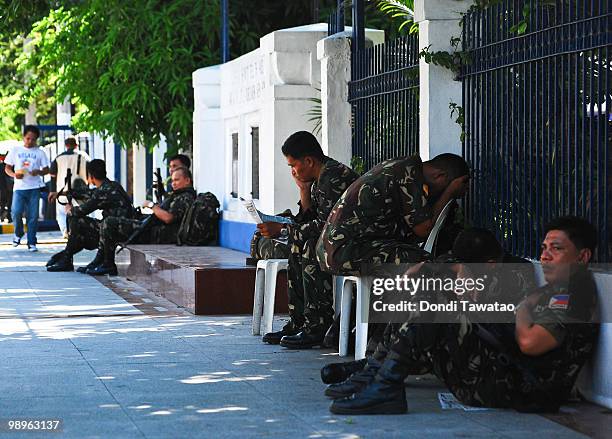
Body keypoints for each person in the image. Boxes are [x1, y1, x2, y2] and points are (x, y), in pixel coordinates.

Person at [329, 216, 599, 415]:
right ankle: (378, 374)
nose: (546, 255)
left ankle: (385, 384)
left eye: (557, 248)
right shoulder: (558, 290)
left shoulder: (575, 293)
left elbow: (531, 343)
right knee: (429, 295)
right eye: (544, 248)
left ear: (582, 256)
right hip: (505, 374)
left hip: (521, 388)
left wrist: (523, 309)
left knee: (436, 309)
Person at [315, 153, 470, 356]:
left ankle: (342, 333)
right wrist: (449, 192)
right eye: (446, 186)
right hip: (345, 250)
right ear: (440, 176)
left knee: (397, 263)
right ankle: (385, 345)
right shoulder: (409, 173)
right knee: (422, 265)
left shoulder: (403, 167)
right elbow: (423, 228)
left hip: (345, 247)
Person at [258, 131, 359, 348]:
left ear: (309, 161)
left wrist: (284, 230)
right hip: (338, 239)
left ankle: (318, 325)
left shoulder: (334, 178)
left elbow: (325, 226)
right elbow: (311, 220)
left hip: (357, 242)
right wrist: (304, 190)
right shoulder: (319, 179)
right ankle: (300, 322)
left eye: (293, 165)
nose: (293, 171)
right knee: (299, 244)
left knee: (310, 248)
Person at [90, 166, 197, 276]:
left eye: (177, 180)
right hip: (153, 230)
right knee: (111, 223)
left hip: (158, 234)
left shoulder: (185, 197)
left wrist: (152, 205)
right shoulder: (179, 195)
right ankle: (102, 261)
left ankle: (107, 264)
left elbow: (168, 218)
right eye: (173, 180)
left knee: (110, 223)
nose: (173, 183)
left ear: (187, 180)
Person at [46, 159, 135, 272]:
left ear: (91, 176)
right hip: (121, 228)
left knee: (76, 219)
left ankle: (66, 259)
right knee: (81, 231)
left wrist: (69, 210)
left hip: (116, 231)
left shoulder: (103, 191)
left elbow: (81, 211)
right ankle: (66, 257)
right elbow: (88, 192)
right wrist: (61, 193)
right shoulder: (113, 186)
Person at [3, 125, 50, 252]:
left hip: (34, 187)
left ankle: (32, 242)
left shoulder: (40, 152)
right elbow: (7, 168)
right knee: (16, 212)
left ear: (37, 140)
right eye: (28, 138)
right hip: (19, 188)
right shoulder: (16, 150)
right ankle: (18, 233)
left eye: (33, 139)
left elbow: (47, 170)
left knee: (33, 216)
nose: (30, 142)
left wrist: (39, 172)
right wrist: (14, 175)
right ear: (23, 137)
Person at [48, 137, 90, 237]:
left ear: (66, 145)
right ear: (77, 144)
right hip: (80, 191)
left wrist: (52, 191)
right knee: (81, 212)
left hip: (62, 191)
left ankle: (66, 231)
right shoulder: (84, 156)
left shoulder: (58, 158)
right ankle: (79, 231)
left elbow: (52, 176)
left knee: (62, 214)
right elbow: (90, 173)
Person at [0, 151, 13, 222]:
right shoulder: (11, 166)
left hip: (5, 188)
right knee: (8, 203)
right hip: (8, 188)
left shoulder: (3, 165)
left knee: (4, 203)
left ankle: (4, 215)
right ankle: (7, 216)